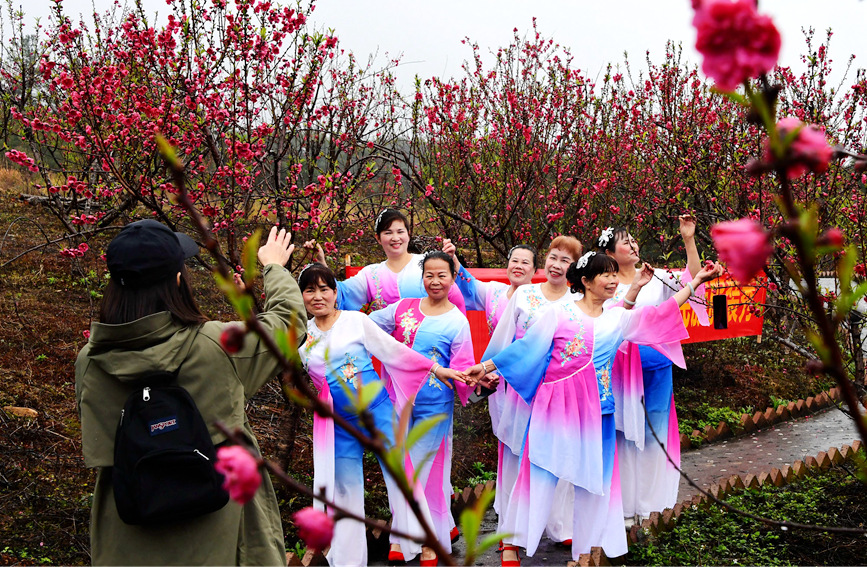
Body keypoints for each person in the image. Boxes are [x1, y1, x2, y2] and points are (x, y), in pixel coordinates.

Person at [466, 253, 722, 564]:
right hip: (554, 408)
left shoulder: (617, 318)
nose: (614, 280)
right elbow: (526, 347)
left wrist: (695, 281)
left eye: (615, 274)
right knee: (539, 473)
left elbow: (660, 313)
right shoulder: (558, 313)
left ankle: (591, 547)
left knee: (597, 482)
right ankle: (513, 542)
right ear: (586, 282)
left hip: (598, 410)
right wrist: (487, 366)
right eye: (606, 275)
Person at [75, 221, 305, 566]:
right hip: (225, 536)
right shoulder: (215, 346)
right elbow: (288, 324)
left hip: (128, 539)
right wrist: (272, 266)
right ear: (178, 282)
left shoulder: (89, 363)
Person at [297, 262, 466, 567]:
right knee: (344, 491)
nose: (318, 296)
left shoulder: (355, 322)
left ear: (336, 293)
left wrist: (436, 369)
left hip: (377, 413)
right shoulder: (302, 335)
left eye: (324, 289)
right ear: (303, 296)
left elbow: (394, 351)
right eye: (310, 290)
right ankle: (349, 560)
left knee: (401, 477)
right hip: (338, 424)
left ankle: (427, 544)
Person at [597, 216, 708, 525]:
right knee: (621, 432)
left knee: (653, 431)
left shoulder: (656, 275)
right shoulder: (605, 283)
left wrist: (688, 239)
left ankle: (651, 503)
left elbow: (694, 281)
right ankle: (621, 505)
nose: (633, 245)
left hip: (655, 366)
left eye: (634, 240)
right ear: (609, 251)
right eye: (625, 242)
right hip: (618, 372)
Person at [480, 236, 583, 559]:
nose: (556, 265)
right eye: (553, 257)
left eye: (565, 261)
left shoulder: (577, 301)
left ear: (575, 268)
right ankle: (509, 531)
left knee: (558, 456)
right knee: (515, 456)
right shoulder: (525, 294)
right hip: (520, 390)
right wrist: (488, 370)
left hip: (560, 392)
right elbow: (504, 337)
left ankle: (560, 525)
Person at [368, 251, 476, 556]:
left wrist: (476, 382)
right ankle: (406, 539)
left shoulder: (457, 322)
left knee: (418, 472)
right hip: (396, 402)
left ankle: (420, 542)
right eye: (429, 274)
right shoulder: (403, 308)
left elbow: (464, 366)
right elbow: (370, 329)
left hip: (434, 408)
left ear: (453, 278)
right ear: (422, 277)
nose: (435, 281)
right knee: (398, 469)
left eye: (442, 275)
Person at [310, 209, 466, 313]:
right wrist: (321, 263)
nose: (395, 238)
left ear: (408, 234)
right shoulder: (370, 275)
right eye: (388, 232)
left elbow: (457, 294)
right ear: (378, 238)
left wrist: (453, 261)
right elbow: (340, 293)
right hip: (390, 353)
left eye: (400, 231)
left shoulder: (428, 263)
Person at [441, 240, 537, 334]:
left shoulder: (543, 300)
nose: (518, 266)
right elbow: (469, 286)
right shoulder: (495, 292)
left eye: (525, 263)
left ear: (534, 270)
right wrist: (452, 258)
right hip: (497, 350)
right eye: (514, 261)